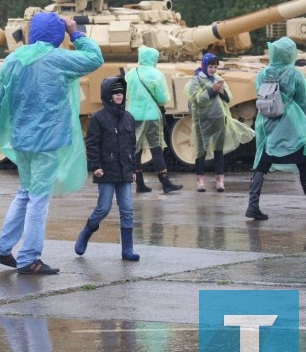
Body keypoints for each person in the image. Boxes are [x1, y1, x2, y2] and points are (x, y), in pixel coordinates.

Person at [0, 12, 104, 275]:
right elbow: (95, 58)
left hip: (20, 138)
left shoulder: (12, 59)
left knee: (25, 192)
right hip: (48, 141)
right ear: (56, 34)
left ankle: (3, 247)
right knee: (39, 199)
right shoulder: (58, 59)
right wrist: (75, 33)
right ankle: (29, 258)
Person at [246, 37, 306, 220]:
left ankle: (252, 205)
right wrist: (305, 121)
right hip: (290, 125)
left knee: (262, 163)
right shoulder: (294, 75)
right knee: (303, 163)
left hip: (267, 122)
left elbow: (259, 92)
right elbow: (303, 101)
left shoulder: (263, 73)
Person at [74, 76, 139, 261]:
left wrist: (134, 169)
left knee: (127, 209)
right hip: (106, 170)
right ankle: (86, 232)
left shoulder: (129, 118)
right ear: (108, 95)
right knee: (103, 208)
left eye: (121, 92)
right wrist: (95, 166)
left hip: (125, 170)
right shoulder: (98, 118)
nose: (119, 95)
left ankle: (127, 250)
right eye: (115, 92)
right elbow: (92, 144)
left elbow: (132, 145)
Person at [125, 46, 182, 194]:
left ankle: (140, 184)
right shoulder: (157, 74)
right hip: (151, 116)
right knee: (156, 148)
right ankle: (165, 182)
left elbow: (126, 93)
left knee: (135, 149)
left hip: (132, 115)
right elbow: (163, 99)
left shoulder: (131, 73)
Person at [185, 53, 230, 192]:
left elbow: (228, 99)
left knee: (218, 151)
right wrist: (212, 90)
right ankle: (200, 182)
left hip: (218, 119)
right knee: (201, 151)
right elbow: (197, 99)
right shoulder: (196, 80)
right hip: (201, 121)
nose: (213, 70)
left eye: (215, 67)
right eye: (210, 66)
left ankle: (219, 181)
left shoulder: (218, 79)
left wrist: (222, 91)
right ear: (204, 65)